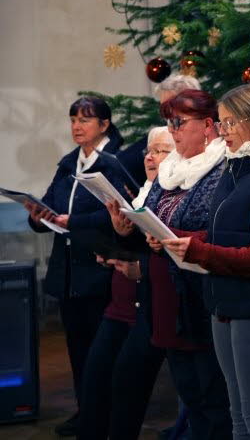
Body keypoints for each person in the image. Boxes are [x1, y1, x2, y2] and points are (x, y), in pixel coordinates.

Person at [156, 81, 250, 439]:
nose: (224, 131)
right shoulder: (233, 167)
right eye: (221, 123)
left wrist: (198, 251)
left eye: (231, 123)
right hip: (223, 303)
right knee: (237, 413)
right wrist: (185, 240)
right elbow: (223, 235)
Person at [110, 89, 232, 440]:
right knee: (191, 397)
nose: (173, 130)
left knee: (213, 399)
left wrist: (168, 235)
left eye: (179, 122)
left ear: (208, 125)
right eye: (170, 122)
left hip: (199, 298)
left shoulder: (221, 169)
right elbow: (152, 220)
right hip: (165, 299)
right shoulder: (170, 169)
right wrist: (129, 232)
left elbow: (218, 230)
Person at [25, 96, 128, 437]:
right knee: (77, 345)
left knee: (102, 350)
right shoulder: (69, 163)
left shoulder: (113, 163)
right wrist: (38, 217)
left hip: (98, 269)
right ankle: (86, 410)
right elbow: (52, 203)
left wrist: (75, 222)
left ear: (104, 125)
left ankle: (105, 414)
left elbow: (118, 211)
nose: (77, 126)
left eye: (85, 119)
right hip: (69, 271)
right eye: (72, 120)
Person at [78, 127, 175, 440]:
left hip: (149, 308)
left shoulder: (174, 196)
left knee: (126, 386)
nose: (150, 156)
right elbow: (137, 243)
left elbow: (169, 254)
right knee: (94, 378)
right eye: (149, 150)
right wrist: (114, 244)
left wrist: (139, 267)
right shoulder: (143, 192)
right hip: (121, 304)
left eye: (161, 150)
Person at [116, 74, 202, 187]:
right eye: (162, 106)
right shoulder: (161, 132)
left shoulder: (201, 132)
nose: (165, 112)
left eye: (169, 105)